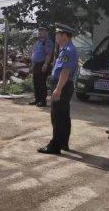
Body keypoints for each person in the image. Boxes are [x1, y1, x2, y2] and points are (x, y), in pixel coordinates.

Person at [38, 23, 79, 155]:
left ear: (64, 35)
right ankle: (63, 142)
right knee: (64, 116)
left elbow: (65, 71)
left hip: (62, 85)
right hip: (65, 85)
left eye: (58, 34)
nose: (56, 36)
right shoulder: (67, 49)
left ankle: (55, 145)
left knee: (57, 116)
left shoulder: (68, 50)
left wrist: (58, 88)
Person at [29, 26, 54, 107]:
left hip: (42, 64)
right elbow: (34, 53)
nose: (39, 33)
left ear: (46, 33)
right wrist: (32, 65)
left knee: (41, 83)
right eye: (39, 32)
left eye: (42, 32)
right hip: (36, 65)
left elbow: (48, 54)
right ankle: (37, 99)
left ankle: (43, 101)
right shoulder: (38, 42)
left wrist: (46, 64)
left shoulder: (47, 42)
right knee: (36, 82)